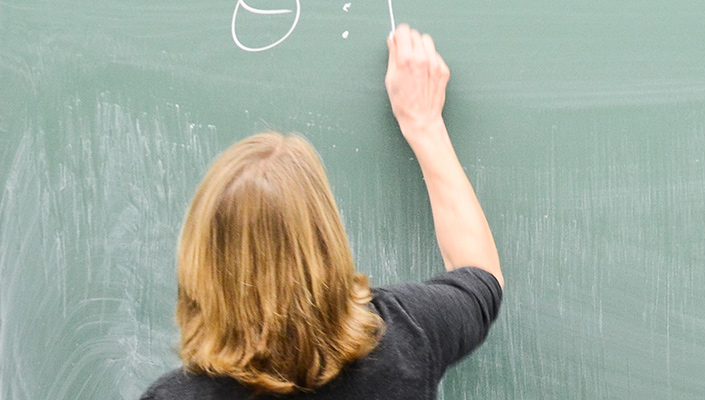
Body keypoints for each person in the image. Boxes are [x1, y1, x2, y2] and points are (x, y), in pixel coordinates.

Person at [141, 24, 503, 399]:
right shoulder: (404, 336)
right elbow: (481, 277)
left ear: (201, 260)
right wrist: (425, 126)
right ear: (325, 237)